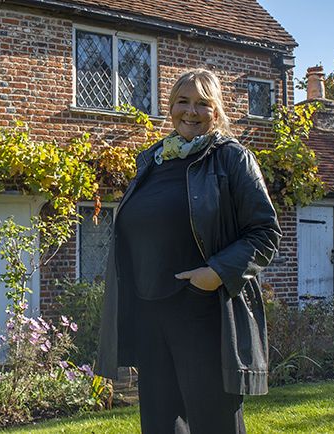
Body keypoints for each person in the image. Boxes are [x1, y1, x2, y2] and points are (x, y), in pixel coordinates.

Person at [95, 69, 282, 434]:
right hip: (150, 313)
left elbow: (264, 232)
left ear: (217, 112)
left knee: (214, 422)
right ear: (170, 106)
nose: (191, 111)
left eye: (202, 104)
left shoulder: (231, 159)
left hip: (203, 311)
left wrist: (214, 274)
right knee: (161, 423)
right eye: (183, 101)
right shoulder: (152, 161)